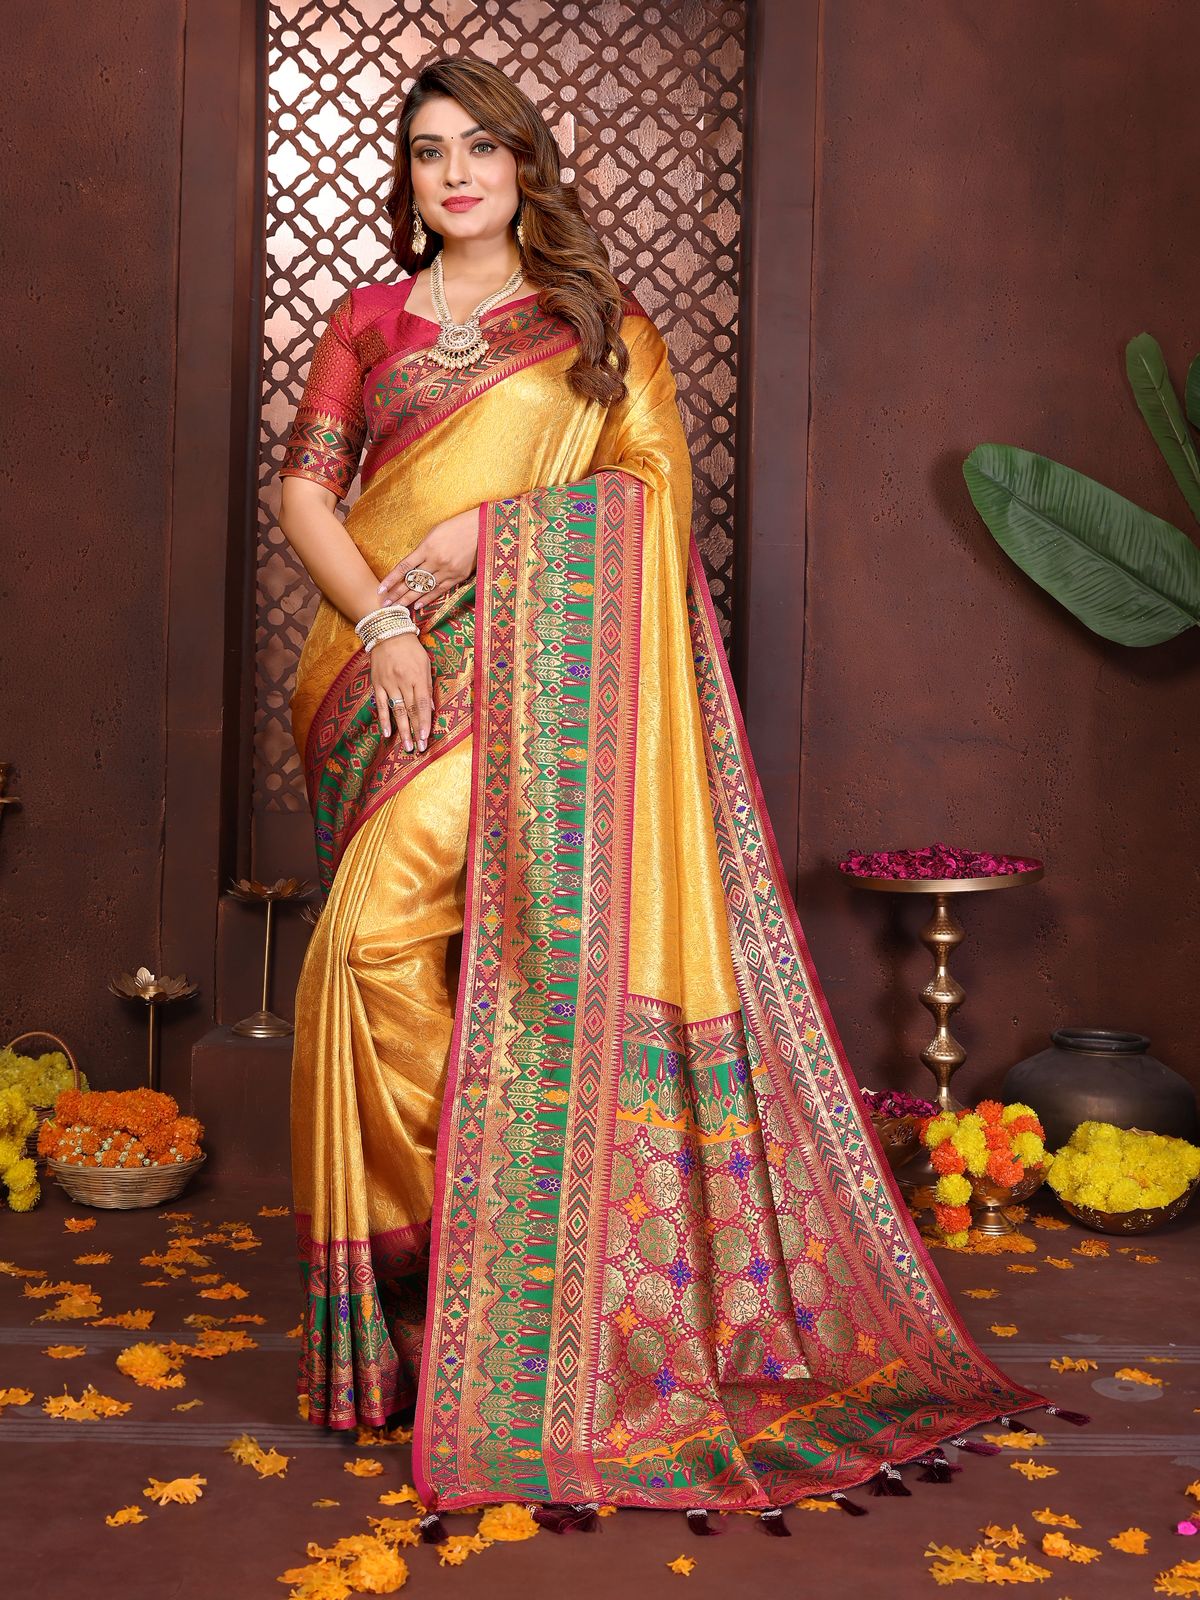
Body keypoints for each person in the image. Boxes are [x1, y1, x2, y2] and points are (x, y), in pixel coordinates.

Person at [279, 56, 1054, 1537]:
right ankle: (445, 1273)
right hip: (380, 674)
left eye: (482, 151)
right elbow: (307, 490)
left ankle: (493, 1272)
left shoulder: (595, 332)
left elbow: (647, 503)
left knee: (407, 946)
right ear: (411, 176)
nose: (456, 175)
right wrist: (386, 616)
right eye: (430, 152)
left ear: (523, 166)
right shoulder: (367, 320)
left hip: (540, 688)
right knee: (370, 959)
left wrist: (485, 530)